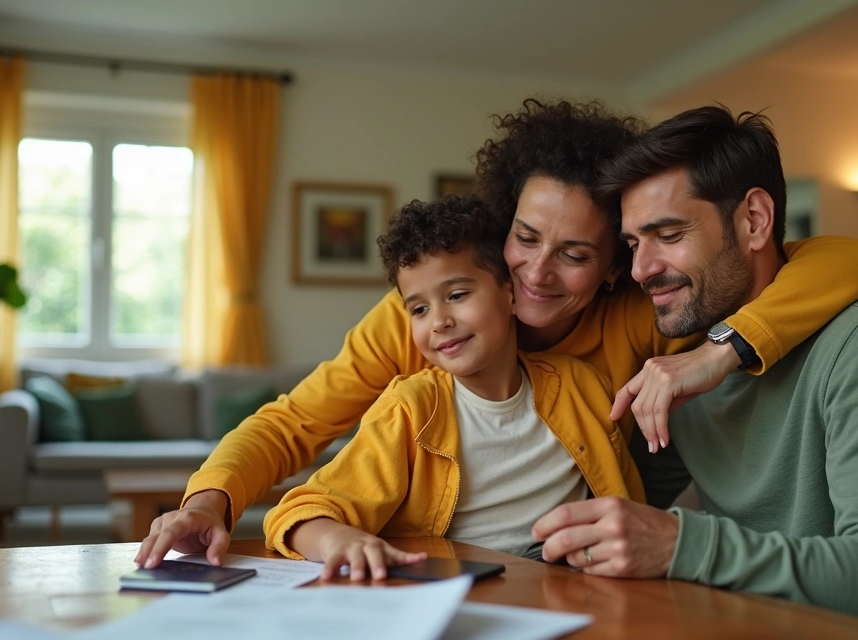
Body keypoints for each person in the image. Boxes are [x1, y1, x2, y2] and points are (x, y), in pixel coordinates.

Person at [133, 99, 858, 569]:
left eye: (576, 254)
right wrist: (209, 503)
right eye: (525, 239)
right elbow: (294, 422)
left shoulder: (637, 314)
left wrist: (721, 353)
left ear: (614, 267)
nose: (537, 273)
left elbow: (849, 258)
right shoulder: (427, 325)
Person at [531, 104, 858, 638]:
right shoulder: (687, 370)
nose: (640, 270)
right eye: (632, 244)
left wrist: (680, 545)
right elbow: (618, 511)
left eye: (668, 235)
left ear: (754, 221)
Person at [262, 196, 644, 580]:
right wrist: (336, 541)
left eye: (457, 295)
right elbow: (298, 515)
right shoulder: (409, 410)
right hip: (454, 591)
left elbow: (626, 503)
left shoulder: (583, 386)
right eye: (419, 309)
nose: (439, 322)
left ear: (512, 293)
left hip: (570, 589)